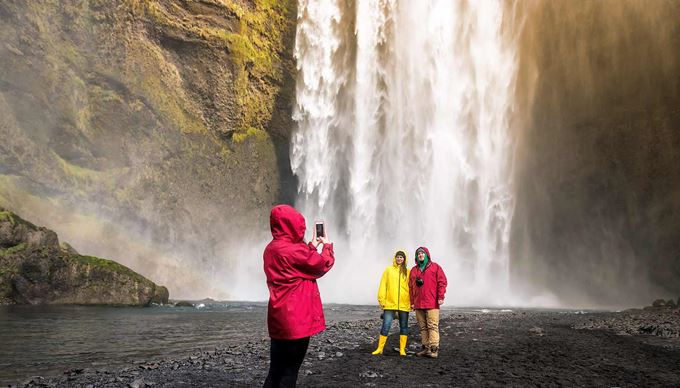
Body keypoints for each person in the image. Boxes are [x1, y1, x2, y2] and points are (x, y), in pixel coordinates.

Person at [263, 205, 335, 388]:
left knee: (275, 371)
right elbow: (321, 264)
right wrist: (326, 246)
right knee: (290, 372)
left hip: (278, 319)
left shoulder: (271, 249)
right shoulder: (295, 251)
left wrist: (310, 246)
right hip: (297, 321)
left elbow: (297, 264)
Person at [409, 246, 447, 358]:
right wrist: (412, 302)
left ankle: (434, 349)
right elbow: (410, 287)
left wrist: (441, 297)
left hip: (432, 302)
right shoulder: (413, 270)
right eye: (418, 254)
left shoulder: (435, 267)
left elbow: (442, 282)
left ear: (427, 255)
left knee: (432, 325)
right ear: (416, 256)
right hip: (418, 302)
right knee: (423, 327)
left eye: (422, 253)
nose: (420, 255)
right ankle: (426, 348)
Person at [371, 250, 411, 356]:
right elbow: (383, 285)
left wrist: (412, 302)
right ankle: (380, 348)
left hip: (404, 303)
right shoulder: (388, 270)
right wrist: (381, 300)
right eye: (397, 257)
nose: (399, 259)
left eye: (401, 257)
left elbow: (412, 288)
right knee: (386, 324)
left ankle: (402, 350)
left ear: (404, 259)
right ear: (395, 258)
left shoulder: (408, 272)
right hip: (389, 303)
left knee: (404, 326)